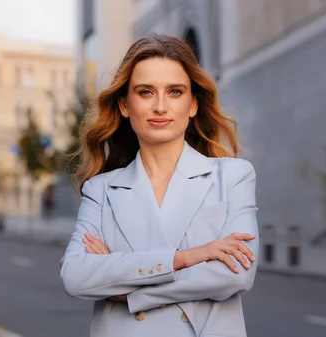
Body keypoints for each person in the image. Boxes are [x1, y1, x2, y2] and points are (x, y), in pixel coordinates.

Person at [59, 35, 259, 337]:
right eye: (145, 92)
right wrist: (185, 258)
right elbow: (76, 277)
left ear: (193, 104)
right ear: (125, 105)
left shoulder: (232, 176)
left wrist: (129, 292)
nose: (161, 106)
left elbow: (236, 274)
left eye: (175, 92)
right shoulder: (101, 190)